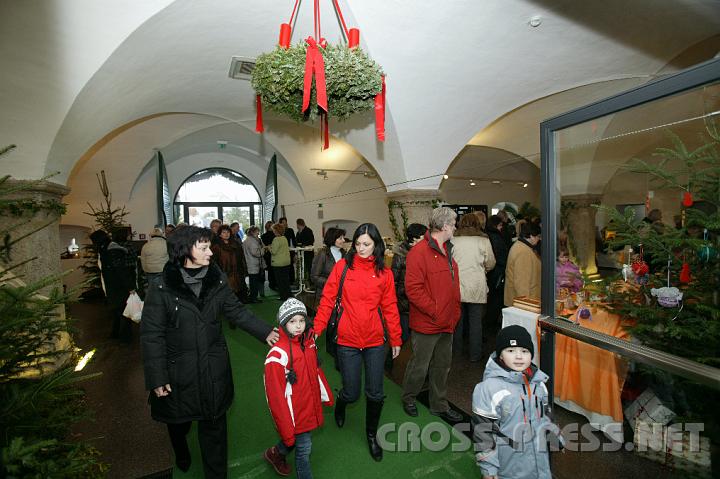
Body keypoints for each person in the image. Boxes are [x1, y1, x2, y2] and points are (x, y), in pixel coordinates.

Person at [140, 225, 279, 478]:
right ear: (184, 251)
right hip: (177, 373)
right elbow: (152, 335)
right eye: (203, 248)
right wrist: (157, 377)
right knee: (178, 423)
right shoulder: (161, 288)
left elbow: (236, 311)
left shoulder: (217, 279)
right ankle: (180, 449)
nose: (210, 253)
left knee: (214, 431)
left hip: (213, 370)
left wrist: (266, 331)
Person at [313, 223, 402, 461]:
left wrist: (396, 337)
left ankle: (372, 435)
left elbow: (390, 307)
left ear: (377, 246)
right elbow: (328, 300)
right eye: (358, 244)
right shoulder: (342, 267)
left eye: (367, 244)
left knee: (375, 392)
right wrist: (317, 329)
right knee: (352, 392)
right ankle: (342, 402)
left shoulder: (385, 273)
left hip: (374, 341)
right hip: (347, 340)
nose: (361, 249)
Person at [472, 325, 561, 479]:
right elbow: (483, 431)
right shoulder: (488, 389)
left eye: (525, 351)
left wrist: (554, 434)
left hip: (540, 462)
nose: (519, 356)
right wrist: (488, 466)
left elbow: (546, 415)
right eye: (511, 351)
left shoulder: (539, 383)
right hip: (508, 465)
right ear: (500, 355)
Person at [401, 207, 463, 423]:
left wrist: (454, 311)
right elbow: (414, 290)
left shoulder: (447, 249)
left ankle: (439, 404)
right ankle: (408, 398)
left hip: (448, 321)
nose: (455, 227)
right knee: (420, 365)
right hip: (428, 323)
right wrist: (436, 311)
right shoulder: (418, 253)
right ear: (445, 226)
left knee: (442, 367)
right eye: (454, 223)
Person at [263, 299, 333, 478]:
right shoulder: (277, 356)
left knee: (294, 441)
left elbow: (314, 373)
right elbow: (276, 398)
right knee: (304, 450)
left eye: (302, 320)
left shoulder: (308, 342)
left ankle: (275, 453)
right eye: (292, 321)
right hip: (294, 414)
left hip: (308, 407)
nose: (298, 326)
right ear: (283, 324)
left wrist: (324, 396)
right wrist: (286, 427)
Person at [452, 213, 496, 363]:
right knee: (476, 322)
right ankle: (475, 355)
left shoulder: (453, 239)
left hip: (457, 284)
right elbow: (491, 262)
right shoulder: (483, 240)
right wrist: (483, 269)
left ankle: (456, 352)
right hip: (476, 284)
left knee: (457, 321)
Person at [91, 228, 137, 343]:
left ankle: (125, 337)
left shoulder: (112, 251)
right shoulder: (106, 249)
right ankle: (118, 334)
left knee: (123, 312)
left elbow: (121, 271)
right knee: (119, 311)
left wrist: (130, 287)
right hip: (114, 286)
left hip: (118, 287)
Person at [390, 223, 428, 343]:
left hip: (419, 301)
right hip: (404, 302)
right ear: (415, 238)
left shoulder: (424, 251)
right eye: (424, 236)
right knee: (404, 337)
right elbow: (394, 280)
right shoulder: (401, 254)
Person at [504, 221, 542, 307]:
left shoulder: (522, 247)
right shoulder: (523, 251)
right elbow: (521, 283)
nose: (539, 239)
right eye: (538, 236)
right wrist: (526, 305)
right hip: (525, 303)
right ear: (531, 236)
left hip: (523, 301)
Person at [211, 224, 249, 303]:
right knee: (227, 296)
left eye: (228, 232)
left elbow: (242, 258)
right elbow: (213, 262)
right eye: (224, 232)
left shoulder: (236, 244)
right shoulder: (216, 246)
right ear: (220, 234)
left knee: (239, 295)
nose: (226, 234)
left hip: (237, 273)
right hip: (224, 274)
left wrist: (244, 270)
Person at [310, 228, 346, 310]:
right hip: (325, 295)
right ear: (333, 239)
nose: (343, 240)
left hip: (341, 296)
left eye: (343, 237)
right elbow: (314, 277)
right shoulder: (323, 254)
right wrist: (332, 283)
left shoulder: (344, 254)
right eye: (340, 238)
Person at [485, 215, 509, 335]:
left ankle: (489, 325)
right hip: (497, 272)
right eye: (500, 225)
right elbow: (499, 257)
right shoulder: (496, 237)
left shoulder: (487, 235)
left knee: (492, 301)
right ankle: (490, 326)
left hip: (492, 273)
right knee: (496, 301)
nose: (501, 228)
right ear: (496, 225)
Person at [243, 225, 265, 303]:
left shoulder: (248, 240)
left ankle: (253, 297)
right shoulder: (252, 241)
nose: (258, 233)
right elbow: (255, 253)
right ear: (252, 232)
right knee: (254, 282)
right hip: (253, 264)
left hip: (251, 263)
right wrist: (263, 250)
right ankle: (253, 298)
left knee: (253, 282)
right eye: (257, 231)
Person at [271, 223, 292, 300]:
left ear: (276, 230)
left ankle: (283, 296)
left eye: (273, 230)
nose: (273, 231)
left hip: (278, 263)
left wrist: (269, 248)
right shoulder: (284, 238)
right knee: (286, 281)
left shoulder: (276, 239)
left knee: (280, 282)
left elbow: (274, 252)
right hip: (286, 262)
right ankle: (289, 296)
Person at [295, 218, 315, 283]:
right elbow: (296, 241)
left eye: (297, 224)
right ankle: (302, 282)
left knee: (309, 268)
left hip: (308, 253)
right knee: (301, 268)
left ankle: (311, 282)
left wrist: (304, 245)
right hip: (301, 253)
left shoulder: (308, 230)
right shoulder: (298, 232)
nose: (296, 226)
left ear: (299, 224)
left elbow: (311, 240)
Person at [279, 217, 296, 284]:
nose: (284, 223)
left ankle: (292, 281)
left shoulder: (290, 230)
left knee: (291, 266)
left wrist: (295, 251)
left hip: (290, 250)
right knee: (284, 267)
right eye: (283, 222)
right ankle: (285, 281)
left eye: (285, 222)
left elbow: (294, 241)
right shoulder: (279, 231)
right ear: (280, 223)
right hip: (282, 251)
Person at [261, 221, 277, 291]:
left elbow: (264, 245)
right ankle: (274, 284)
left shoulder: (263, 236)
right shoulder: (275, 236)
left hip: (267, 254)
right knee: (274, 270)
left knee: (270, 270)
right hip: (273, 254)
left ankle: (271, 284)